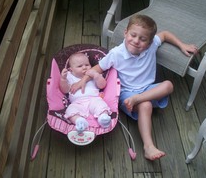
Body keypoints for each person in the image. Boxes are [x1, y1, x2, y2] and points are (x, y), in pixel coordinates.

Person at [70, 14, 198, 160]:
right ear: (125, 33)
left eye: (143, 39)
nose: (136, 41)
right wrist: (83, 80)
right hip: (127, 93)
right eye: (133, 35)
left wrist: (182, 45)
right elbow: (97, 68)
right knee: (146, 106)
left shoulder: (152, 45)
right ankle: (148, 146)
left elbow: (165, 34)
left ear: (150, 42)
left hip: (147, 89)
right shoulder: (116, 54)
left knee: (168, 85)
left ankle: (140, 98)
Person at [59, 52, 112, 134]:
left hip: (93, 99)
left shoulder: (92, 74)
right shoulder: (69, 76)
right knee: (70, 110)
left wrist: (96, 76)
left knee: (101, 105)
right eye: (80, 66)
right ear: (71, 69)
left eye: (87, 65)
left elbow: (103, 85)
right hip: (77, 103)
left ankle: (103, 118)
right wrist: (63, 79)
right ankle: (80, 121)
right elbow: (65, 90)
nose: (84, 68)